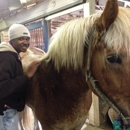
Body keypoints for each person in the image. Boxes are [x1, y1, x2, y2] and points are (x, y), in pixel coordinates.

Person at [0, 23, 40, 130]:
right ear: (12, 40)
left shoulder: (12, 55)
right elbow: (2, 87)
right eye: (21, 39)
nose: (26, 42)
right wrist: (27, 76)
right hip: (4, 111)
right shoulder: (6, 58)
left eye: (27, 39)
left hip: (7, 109)